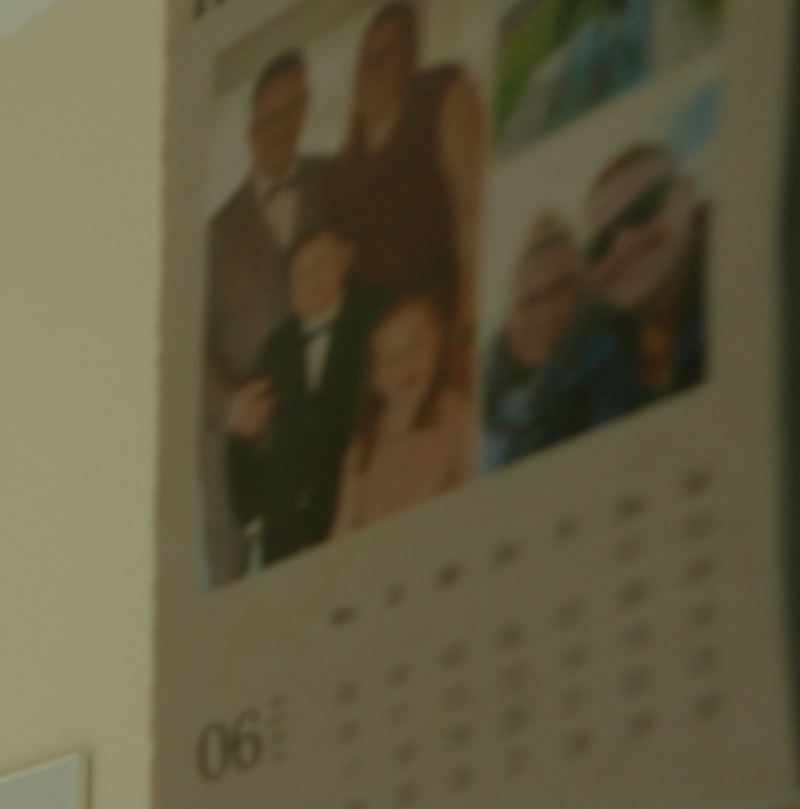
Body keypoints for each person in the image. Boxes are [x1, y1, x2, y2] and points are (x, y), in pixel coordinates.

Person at [199, 46, 333, 582]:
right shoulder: (216, 232)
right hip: (234, 443)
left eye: (292, 109)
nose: (281, 127)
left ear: (306, 108)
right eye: (269, 116)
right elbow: (185, 347)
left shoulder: (329, 179)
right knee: (230, 586)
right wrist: (231, 406)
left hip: (316, 425)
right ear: (250, 128)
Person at [331, 2, 489, 342]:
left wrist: (466, 325)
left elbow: (474, 211)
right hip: (382, 346)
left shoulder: (444, 96)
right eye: (366, 60)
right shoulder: (341, 168)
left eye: (388, 52)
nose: (374, 68)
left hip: (443, 320)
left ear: (410, 59)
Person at [229, 224, 373, 567]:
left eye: (320, 264)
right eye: (300, 275)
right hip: (285, 531)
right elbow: (244, 433)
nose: (312, 279)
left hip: (354, 512)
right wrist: (255, 519)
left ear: (344, 259)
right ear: (291, 293)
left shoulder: (372, 315)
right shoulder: (276, 346)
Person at [580, 140, 710, 418]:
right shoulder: (598, 372)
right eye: (602, 244)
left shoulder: (745, 295)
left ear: (687, 194)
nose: (624, 246)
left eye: (643, 209)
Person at [484, 212, 627, 463]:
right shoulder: (488, 415)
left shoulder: (616, 375)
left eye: (560, 290)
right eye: (530, 301)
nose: (545, 314)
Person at [342, 290, 478, 526]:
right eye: (391, 358)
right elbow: (342, 529)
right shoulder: (364, 445)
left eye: (416, 343)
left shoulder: (457, 414)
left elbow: (480, 495)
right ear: (374, 380)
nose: (406, 362)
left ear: (437, 341)